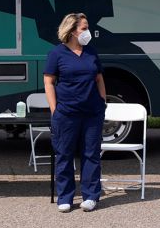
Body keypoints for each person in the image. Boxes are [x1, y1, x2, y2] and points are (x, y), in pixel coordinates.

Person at [44, 13, 107, 212]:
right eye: (84, 28)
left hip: (92, 113)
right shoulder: (57, 53)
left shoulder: (91, 52)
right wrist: (55, 110)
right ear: (72, 31)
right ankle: (65, 197)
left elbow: (99, 79)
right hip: (66, 113)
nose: (87, 32)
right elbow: (49, 82)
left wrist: (102, 103)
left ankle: (90, 196)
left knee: (91, 155)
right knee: (64, 155)